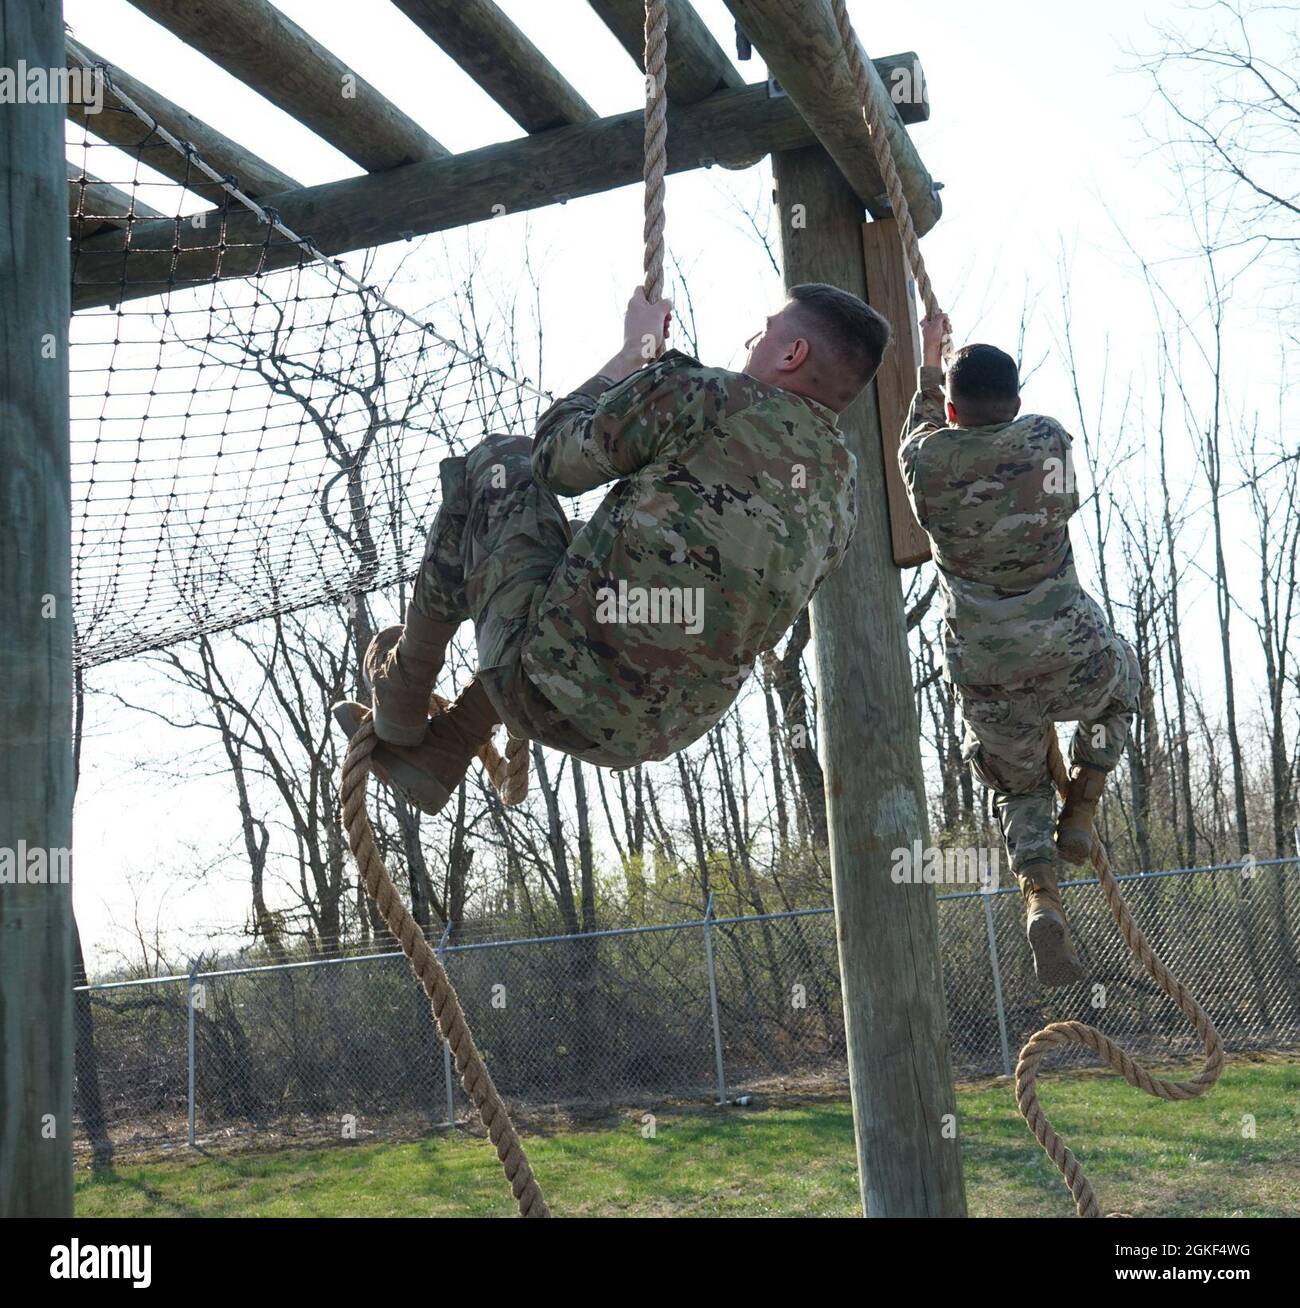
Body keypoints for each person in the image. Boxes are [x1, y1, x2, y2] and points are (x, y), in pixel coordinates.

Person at [335, 283, 889, 818]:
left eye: (765, 333)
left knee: (502, 463)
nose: (752, 342)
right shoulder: (842, 493)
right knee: (591, 552)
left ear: (793, 353)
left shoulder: (710, 395)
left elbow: (554, 459)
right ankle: (449, 743)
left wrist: (634, 354)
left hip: (540, 684)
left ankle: (402, 696)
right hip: (644, 736)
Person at [897, 313, 1141, 987]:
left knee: (1019, 784)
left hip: (988, 669)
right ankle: (1086, 804)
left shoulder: (925, 462)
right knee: (1123, 683)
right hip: (1072, 650)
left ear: (951, 407)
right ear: (1018, 403)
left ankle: (1040, 897)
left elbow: (918, 425)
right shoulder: (1046, 438)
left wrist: (928, 359)